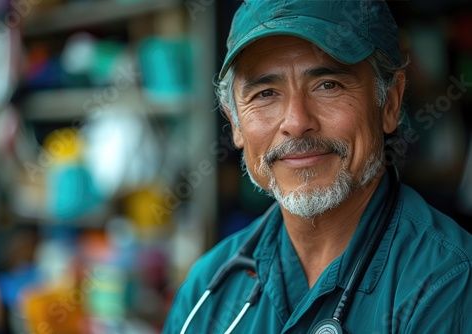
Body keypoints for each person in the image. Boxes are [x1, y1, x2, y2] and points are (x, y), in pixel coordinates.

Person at [163, 1, 472, 333]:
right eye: (266, 93)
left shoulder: (447, 281)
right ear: (235, 123)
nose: (296, 122)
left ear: (390, 103)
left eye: (329, 86)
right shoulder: (206, 288)